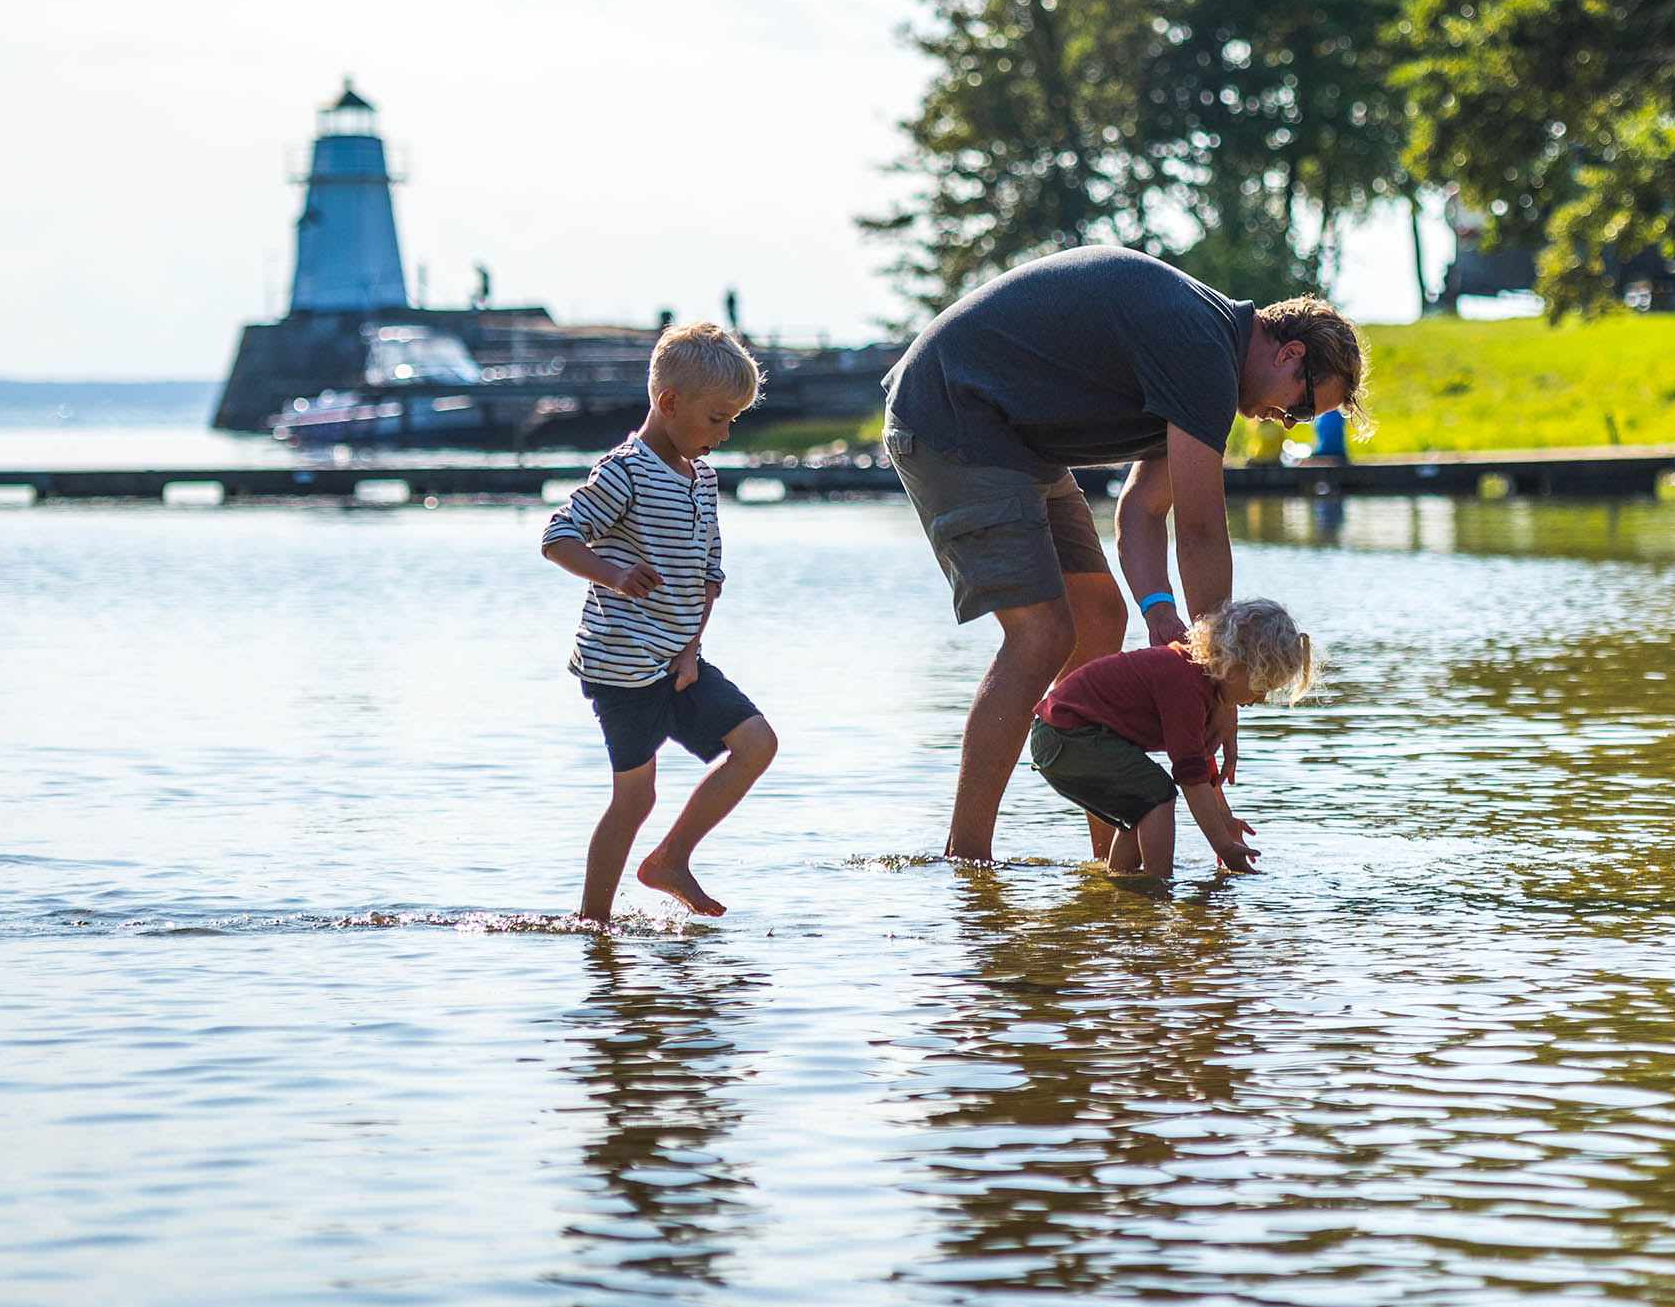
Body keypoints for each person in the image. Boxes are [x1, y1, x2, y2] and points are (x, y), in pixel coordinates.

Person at [881, 246, 1363, 862]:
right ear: (1288, 353)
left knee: (1100, 619)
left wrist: (1160, 609)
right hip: (954, 414)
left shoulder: (1206, 353)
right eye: (1299, 407)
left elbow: (1139, 510)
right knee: (1041, 636)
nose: (1286, 422)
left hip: (1016, 439)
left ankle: (1112, 846)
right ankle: (967, 863)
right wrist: (1220, 673)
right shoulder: (1204, 349)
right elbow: (1200, 530)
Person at [541, 322, 780, 923]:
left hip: (678, 660)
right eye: (717, 418)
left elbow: (709, 574)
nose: (723, 435)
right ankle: (593, 924)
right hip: (620, 665)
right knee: (636, 797)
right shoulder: (625, 470)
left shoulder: (703, 479)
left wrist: (692, 651)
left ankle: (671, 860)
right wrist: (611, 574)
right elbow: (557, 535)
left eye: (733, 421)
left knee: (756, 744)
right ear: (668, 403)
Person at [1028, 597, 1312, 877]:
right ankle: (1158, 888)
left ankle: (1119, 885)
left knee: (1140, 810)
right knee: (1158, 795)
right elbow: (1190, 777)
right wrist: (1224, 847)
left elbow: (1202, 768)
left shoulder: (1203, 685)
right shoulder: (1185, 683)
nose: (1260, 697)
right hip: (1068, 733)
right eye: (1261, 684)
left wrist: (1224, 821)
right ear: (1234, 665)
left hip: (1059, 736)